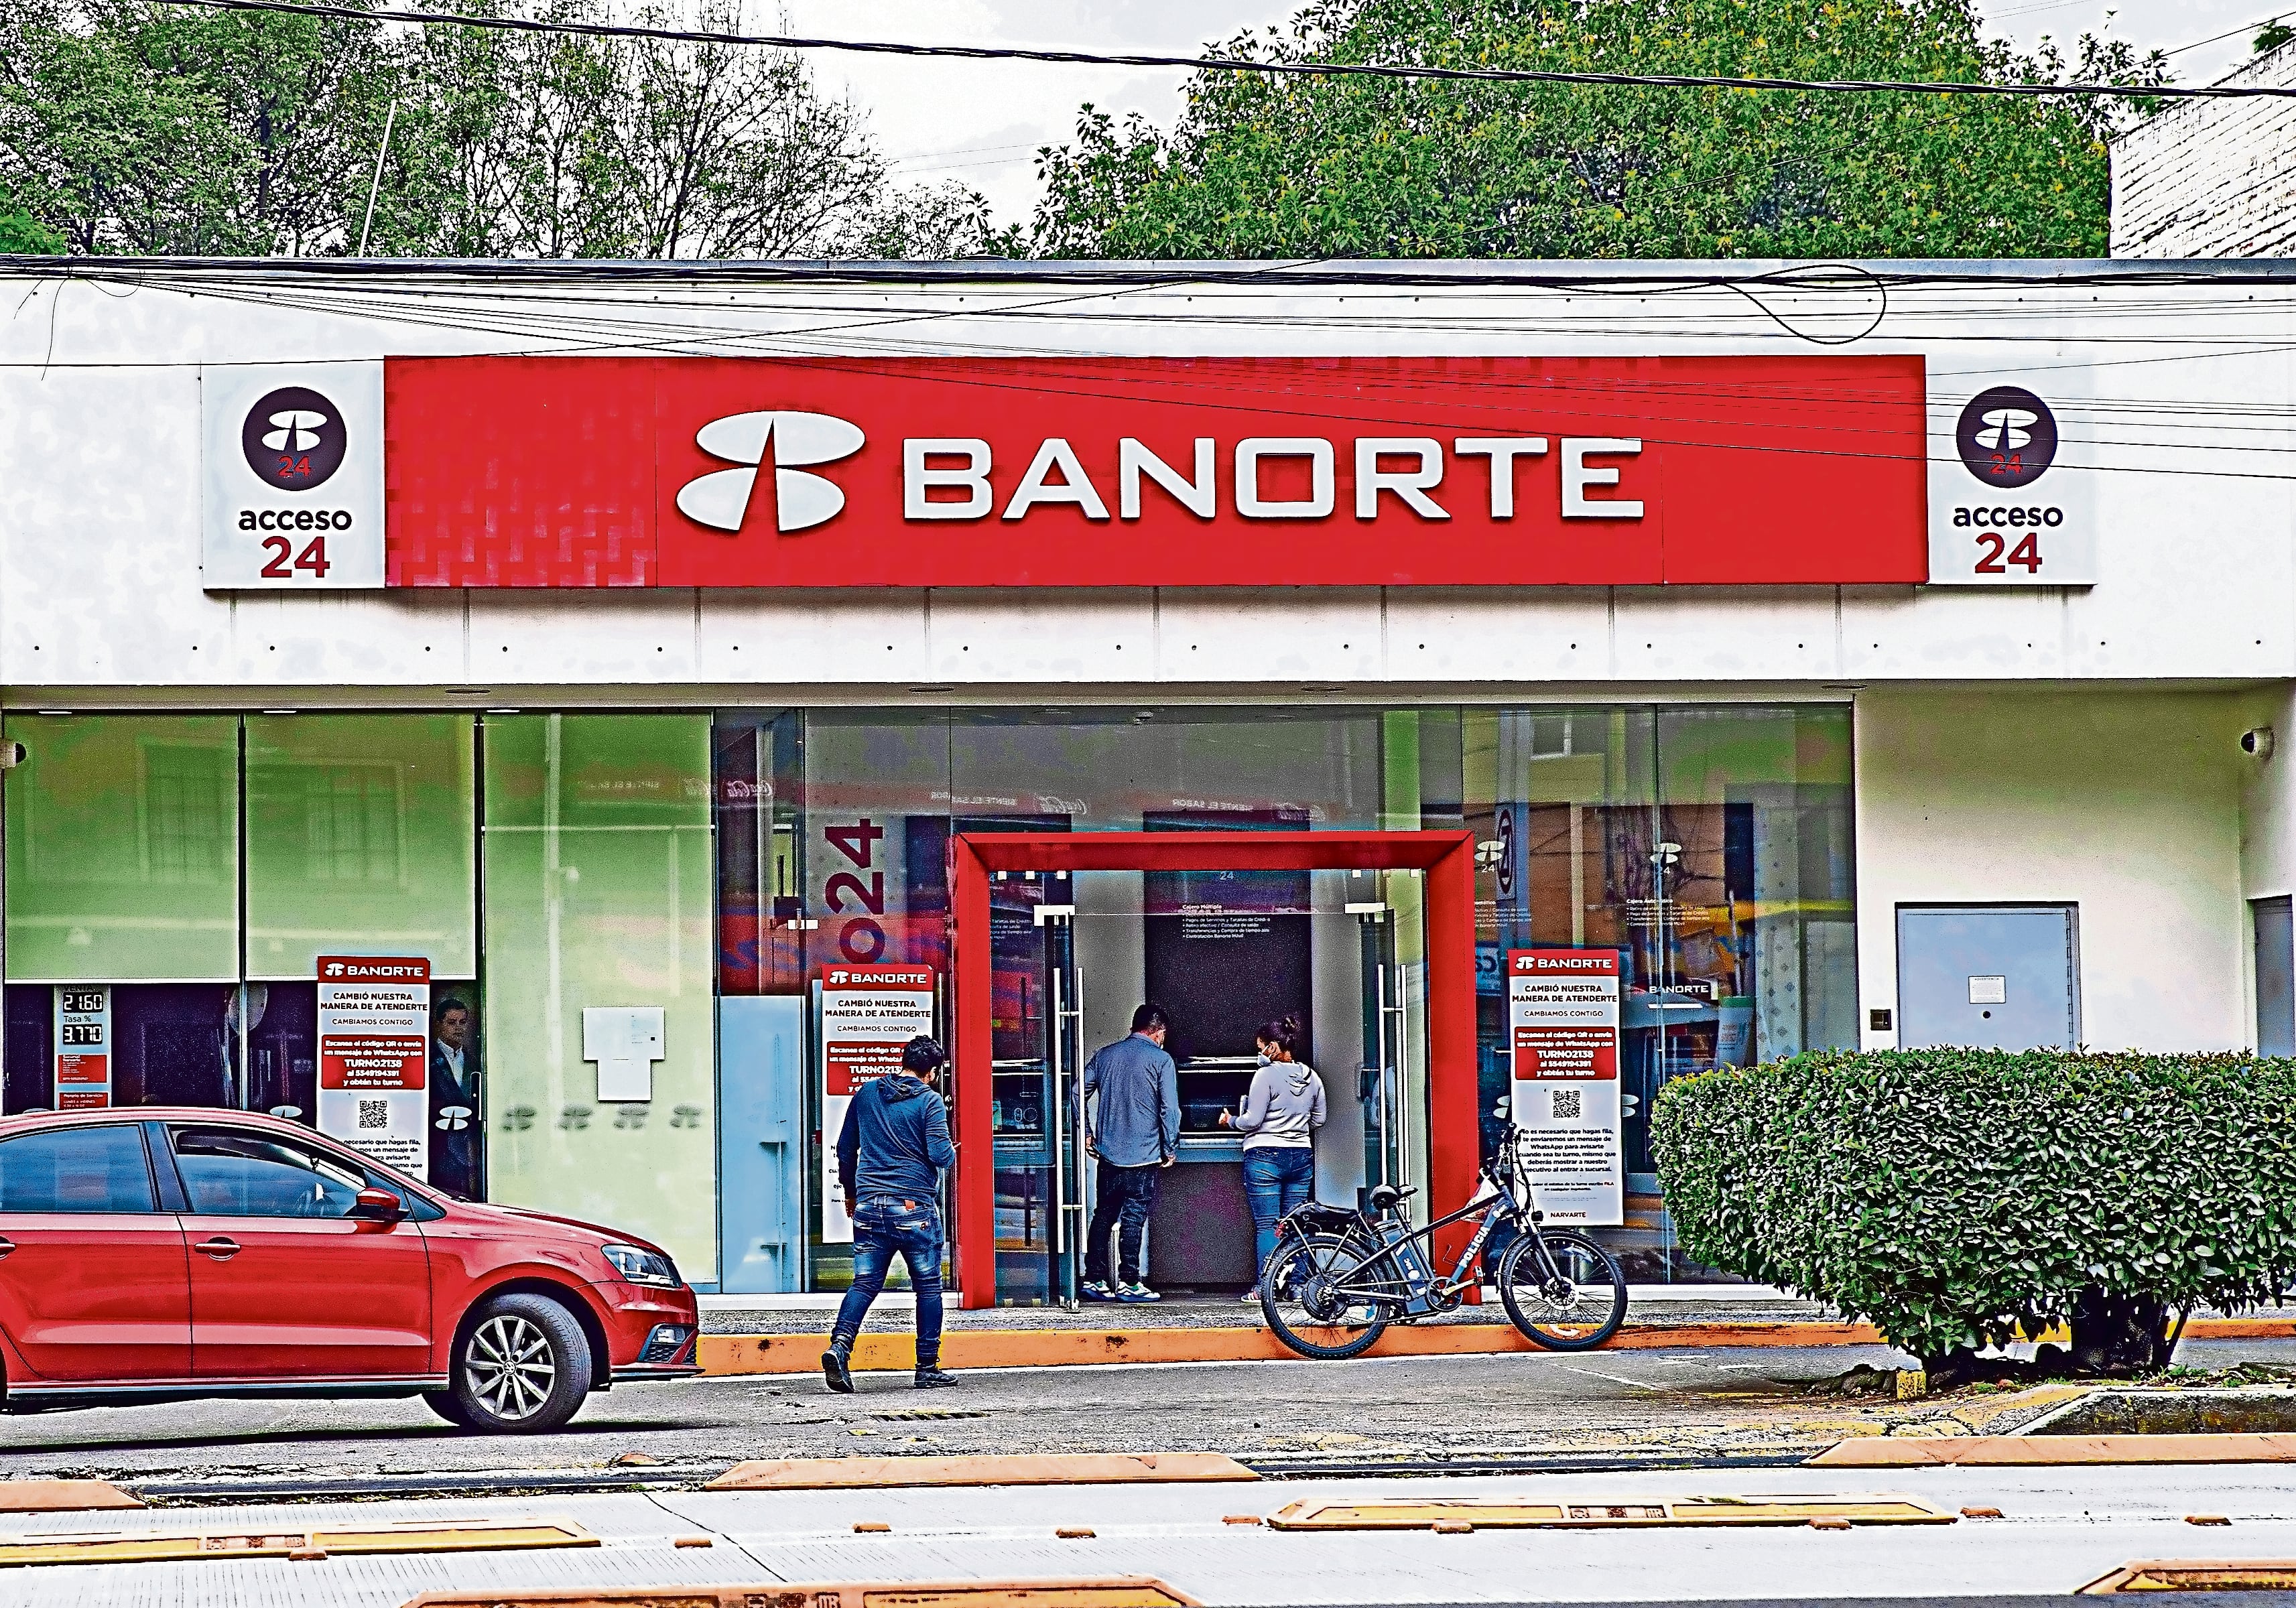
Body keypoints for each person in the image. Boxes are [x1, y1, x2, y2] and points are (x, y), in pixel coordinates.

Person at [823, 1035, 960, 1392]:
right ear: (932, 1072)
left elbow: (844, 1149)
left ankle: (839, 1347)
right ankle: (927, 1367)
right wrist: (949, 1146)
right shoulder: (930, 1102)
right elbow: (942, 1156)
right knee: (928, 1286)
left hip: (869, 1205)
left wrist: (852, 1196)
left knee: (865, 1282)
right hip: (913, 1207)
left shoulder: (867, 1093)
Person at [1220, 1013, 1328, 1299]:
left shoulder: (1265, 1076)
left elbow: (1252, 1121)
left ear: (1273, 1047)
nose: (1259, 1054)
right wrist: (1294, 1123)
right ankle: (1297, 1286)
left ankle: (1265, 1289)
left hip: (1265, 1156)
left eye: (1261, 1048)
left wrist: (1230, 1120)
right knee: (1296, 1223)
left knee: (1269, 1225)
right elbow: (1319, 1119)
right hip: (1301, 1155)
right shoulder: (1312, 1077)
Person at [1080, 1002, 1178, 1304]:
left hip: (1108, 1155)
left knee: (1104, 1215)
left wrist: (1086, 1132)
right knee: (1134, 1217)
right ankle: (1130, 1282)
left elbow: (1075, 1091)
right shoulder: (1161, 1060)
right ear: (1158, 1032)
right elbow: (1169, 1109)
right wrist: (1169, 1146)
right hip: (1145, 1154)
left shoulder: (1105, 1056)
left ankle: (1094, 1279)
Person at [428, 996, 480, 1196]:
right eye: (451, 1022)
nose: (458, 1028)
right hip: (436, 1141)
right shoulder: (427, 1058)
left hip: (467, 1141)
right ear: (439, 1024)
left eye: (462, 1022)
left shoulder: (474, 1060)